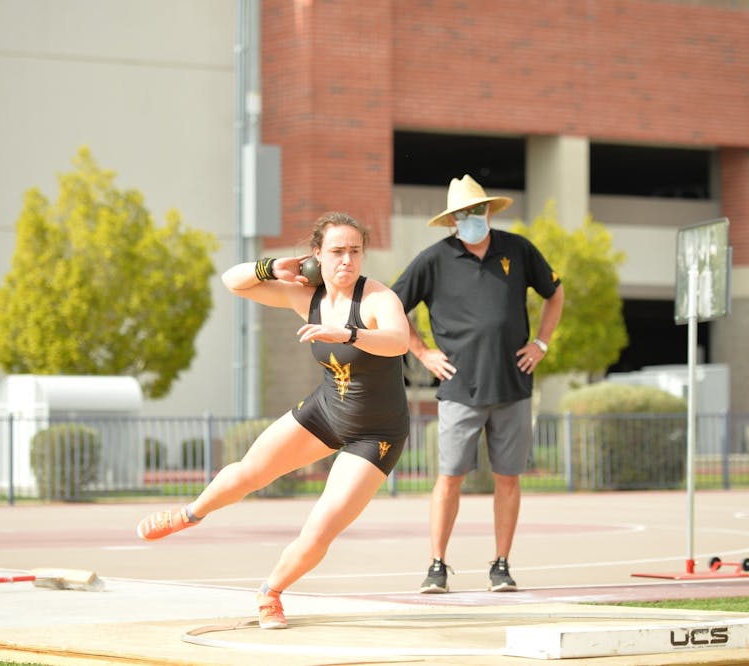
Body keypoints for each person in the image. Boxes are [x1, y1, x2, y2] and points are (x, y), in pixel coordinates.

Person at [136, 211, 411, 629]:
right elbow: (233, 281)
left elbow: (398, 341)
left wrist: (349, 334)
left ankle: (271, 593)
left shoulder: (375, 299)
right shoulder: (307, 296)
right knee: (250, 471)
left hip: (376, 432)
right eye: (336, 252)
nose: (347, 261)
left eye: (355, 252)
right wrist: (268, 267)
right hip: (326, 410)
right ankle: (189, 514)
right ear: (317, 254)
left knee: (321, 527)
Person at [391, 174, 564, 594]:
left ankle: (501, 565)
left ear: (489, 211)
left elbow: (554, 293)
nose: (473, 218)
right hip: (458, 389)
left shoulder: (518, 250)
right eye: (465, 213)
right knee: (449, 477)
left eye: (479, 210)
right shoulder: (433, 259)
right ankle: (437, 565)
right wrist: (423, 352)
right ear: (453, 220)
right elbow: (395, 305)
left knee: (508, 477)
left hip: (514, 385)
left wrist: (541, 342)